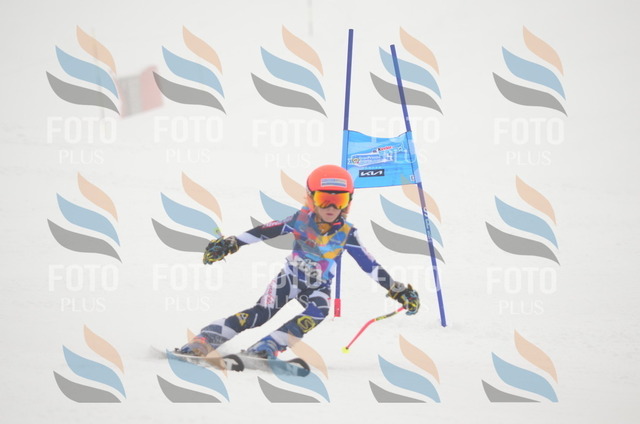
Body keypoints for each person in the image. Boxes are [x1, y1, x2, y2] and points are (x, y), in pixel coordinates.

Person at [179, 164, 420, 359]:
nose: (332, 207)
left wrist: (396, 289)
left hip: (319, 286)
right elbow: (265, 231)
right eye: (324, 199)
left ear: (349, 202)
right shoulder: (300, 220)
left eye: (340, 200)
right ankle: (205, 340)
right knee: (261, 314)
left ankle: (268, 346)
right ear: (311, 198)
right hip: (290, 279)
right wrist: (232, 243)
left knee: (318, 311)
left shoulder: (348, 233)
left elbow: (369, 265)